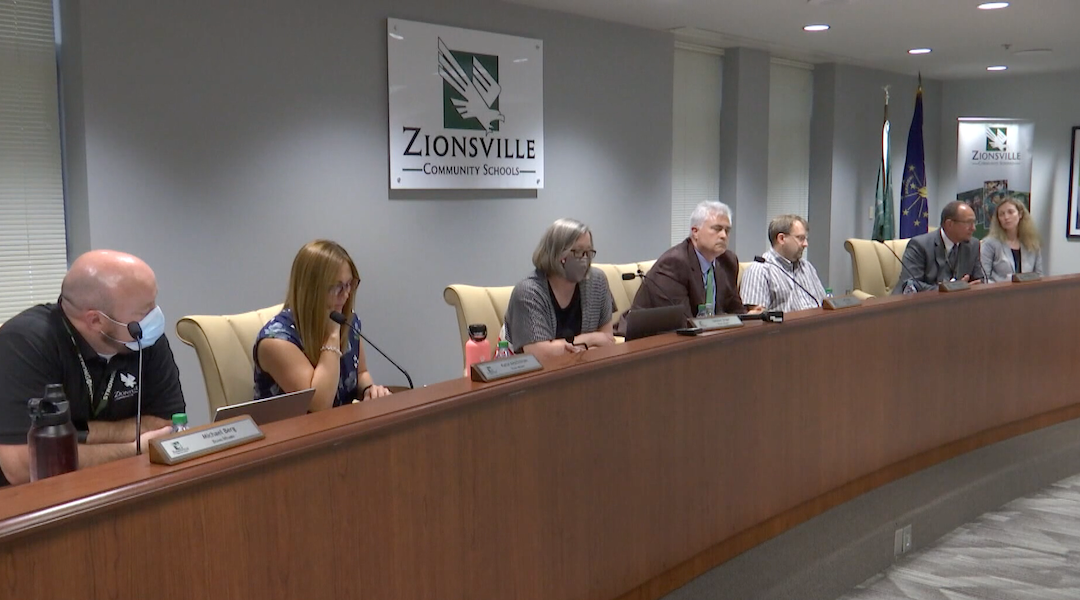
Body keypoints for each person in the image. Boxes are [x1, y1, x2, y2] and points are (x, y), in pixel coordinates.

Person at [0, 250, 183, 486]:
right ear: (96, 320)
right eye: (144, 311)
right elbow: (24, 465)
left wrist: (74, 434)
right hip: (33, 502)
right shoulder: (24, 343)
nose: (155, 317)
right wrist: (133, 448)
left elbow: (168, 426)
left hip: (124, 484)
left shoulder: (143, 337)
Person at [254, 240, 391, 412]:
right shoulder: (275, 342)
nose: (346, 294)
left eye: (349, 284)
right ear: (310, 290)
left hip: (342, 430)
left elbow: (361, 372)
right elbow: (319, 405)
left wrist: (369, 390)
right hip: (295, 435)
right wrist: (333, 335)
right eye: (337, 287)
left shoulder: (348, 320)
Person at [502, 218, 614, 359]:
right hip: (537, 377)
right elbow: (540, 354)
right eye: (578, 252)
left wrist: (561, 348)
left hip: (587, 372)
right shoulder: (528, 293)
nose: (585, 260)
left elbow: (608, 340)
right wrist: (590, 339)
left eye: (588, 253)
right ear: (557, 253)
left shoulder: (597, 281)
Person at [625, 200, 749, 321]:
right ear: (695, 232)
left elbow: (736, 310)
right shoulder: (674, 263)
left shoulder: (728, 261)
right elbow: (683, 321)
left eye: (727, 230)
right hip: (649, 335)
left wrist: (752, 316)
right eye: (717, 229)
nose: (724, 235)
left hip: (704, 334)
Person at [893, 201, 985, 294]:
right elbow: (910, 284)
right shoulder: (919, 245)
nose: (973, 228)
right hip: (918, 304)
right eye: (968, 223)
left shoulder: (973, 245)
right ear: (950, 224)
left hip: (955, 304)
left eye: (974, 222)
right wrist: (951, 288)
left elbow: (979, 280)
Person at [739, 214, 826, 312]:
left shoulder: (807, 267)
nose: (806, 244)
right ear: (781, 239)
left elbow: (824, 303)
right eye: (800, 238)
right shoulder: (759, 270)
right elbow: (757, 320)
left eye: (806, 239)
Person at [980, 197, 1043, 282]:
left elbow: (1039, 275)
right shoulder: (989, 243)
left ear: (1020, 214)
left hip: (1028, 292)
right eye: (1001, 214)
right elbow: (984, 279)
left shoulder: (1032, 242)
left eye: (1010, 212)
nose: (1006, 217)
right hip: (1000, 293)